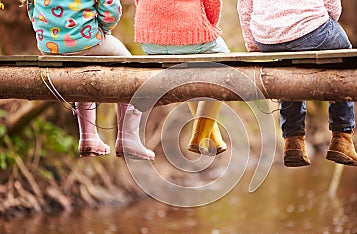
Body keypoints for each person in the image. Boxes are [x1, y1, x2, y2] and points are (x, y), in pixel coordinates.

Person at [24, 0, 154, 160]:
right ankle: (128, 138)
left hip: (49, 46)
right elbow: (110, 11)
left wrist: (47, 34)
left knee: (83, 67)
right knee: (131, 68)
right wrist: (102, 31)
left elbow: (31, 9)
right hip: (87, 41)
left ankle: (88, 137)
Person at [238, 0, 357, 167]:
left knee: (287, 62)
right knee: (344, 56)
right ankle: (342, 137)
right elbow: (332, 4)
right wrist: (325, 21)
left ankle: (293, 141)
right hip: (311, 28)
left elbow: (245, 7)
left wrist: (252, 42)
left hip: (267, 36)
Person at [134, 0, 228, 156]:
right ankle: (199, 136)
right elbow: (213, 3)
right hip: (188, 34)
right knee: (224, 63)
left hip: (150, 40)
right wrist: (209, 26)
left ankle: (211, 137)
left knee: (187, 70)